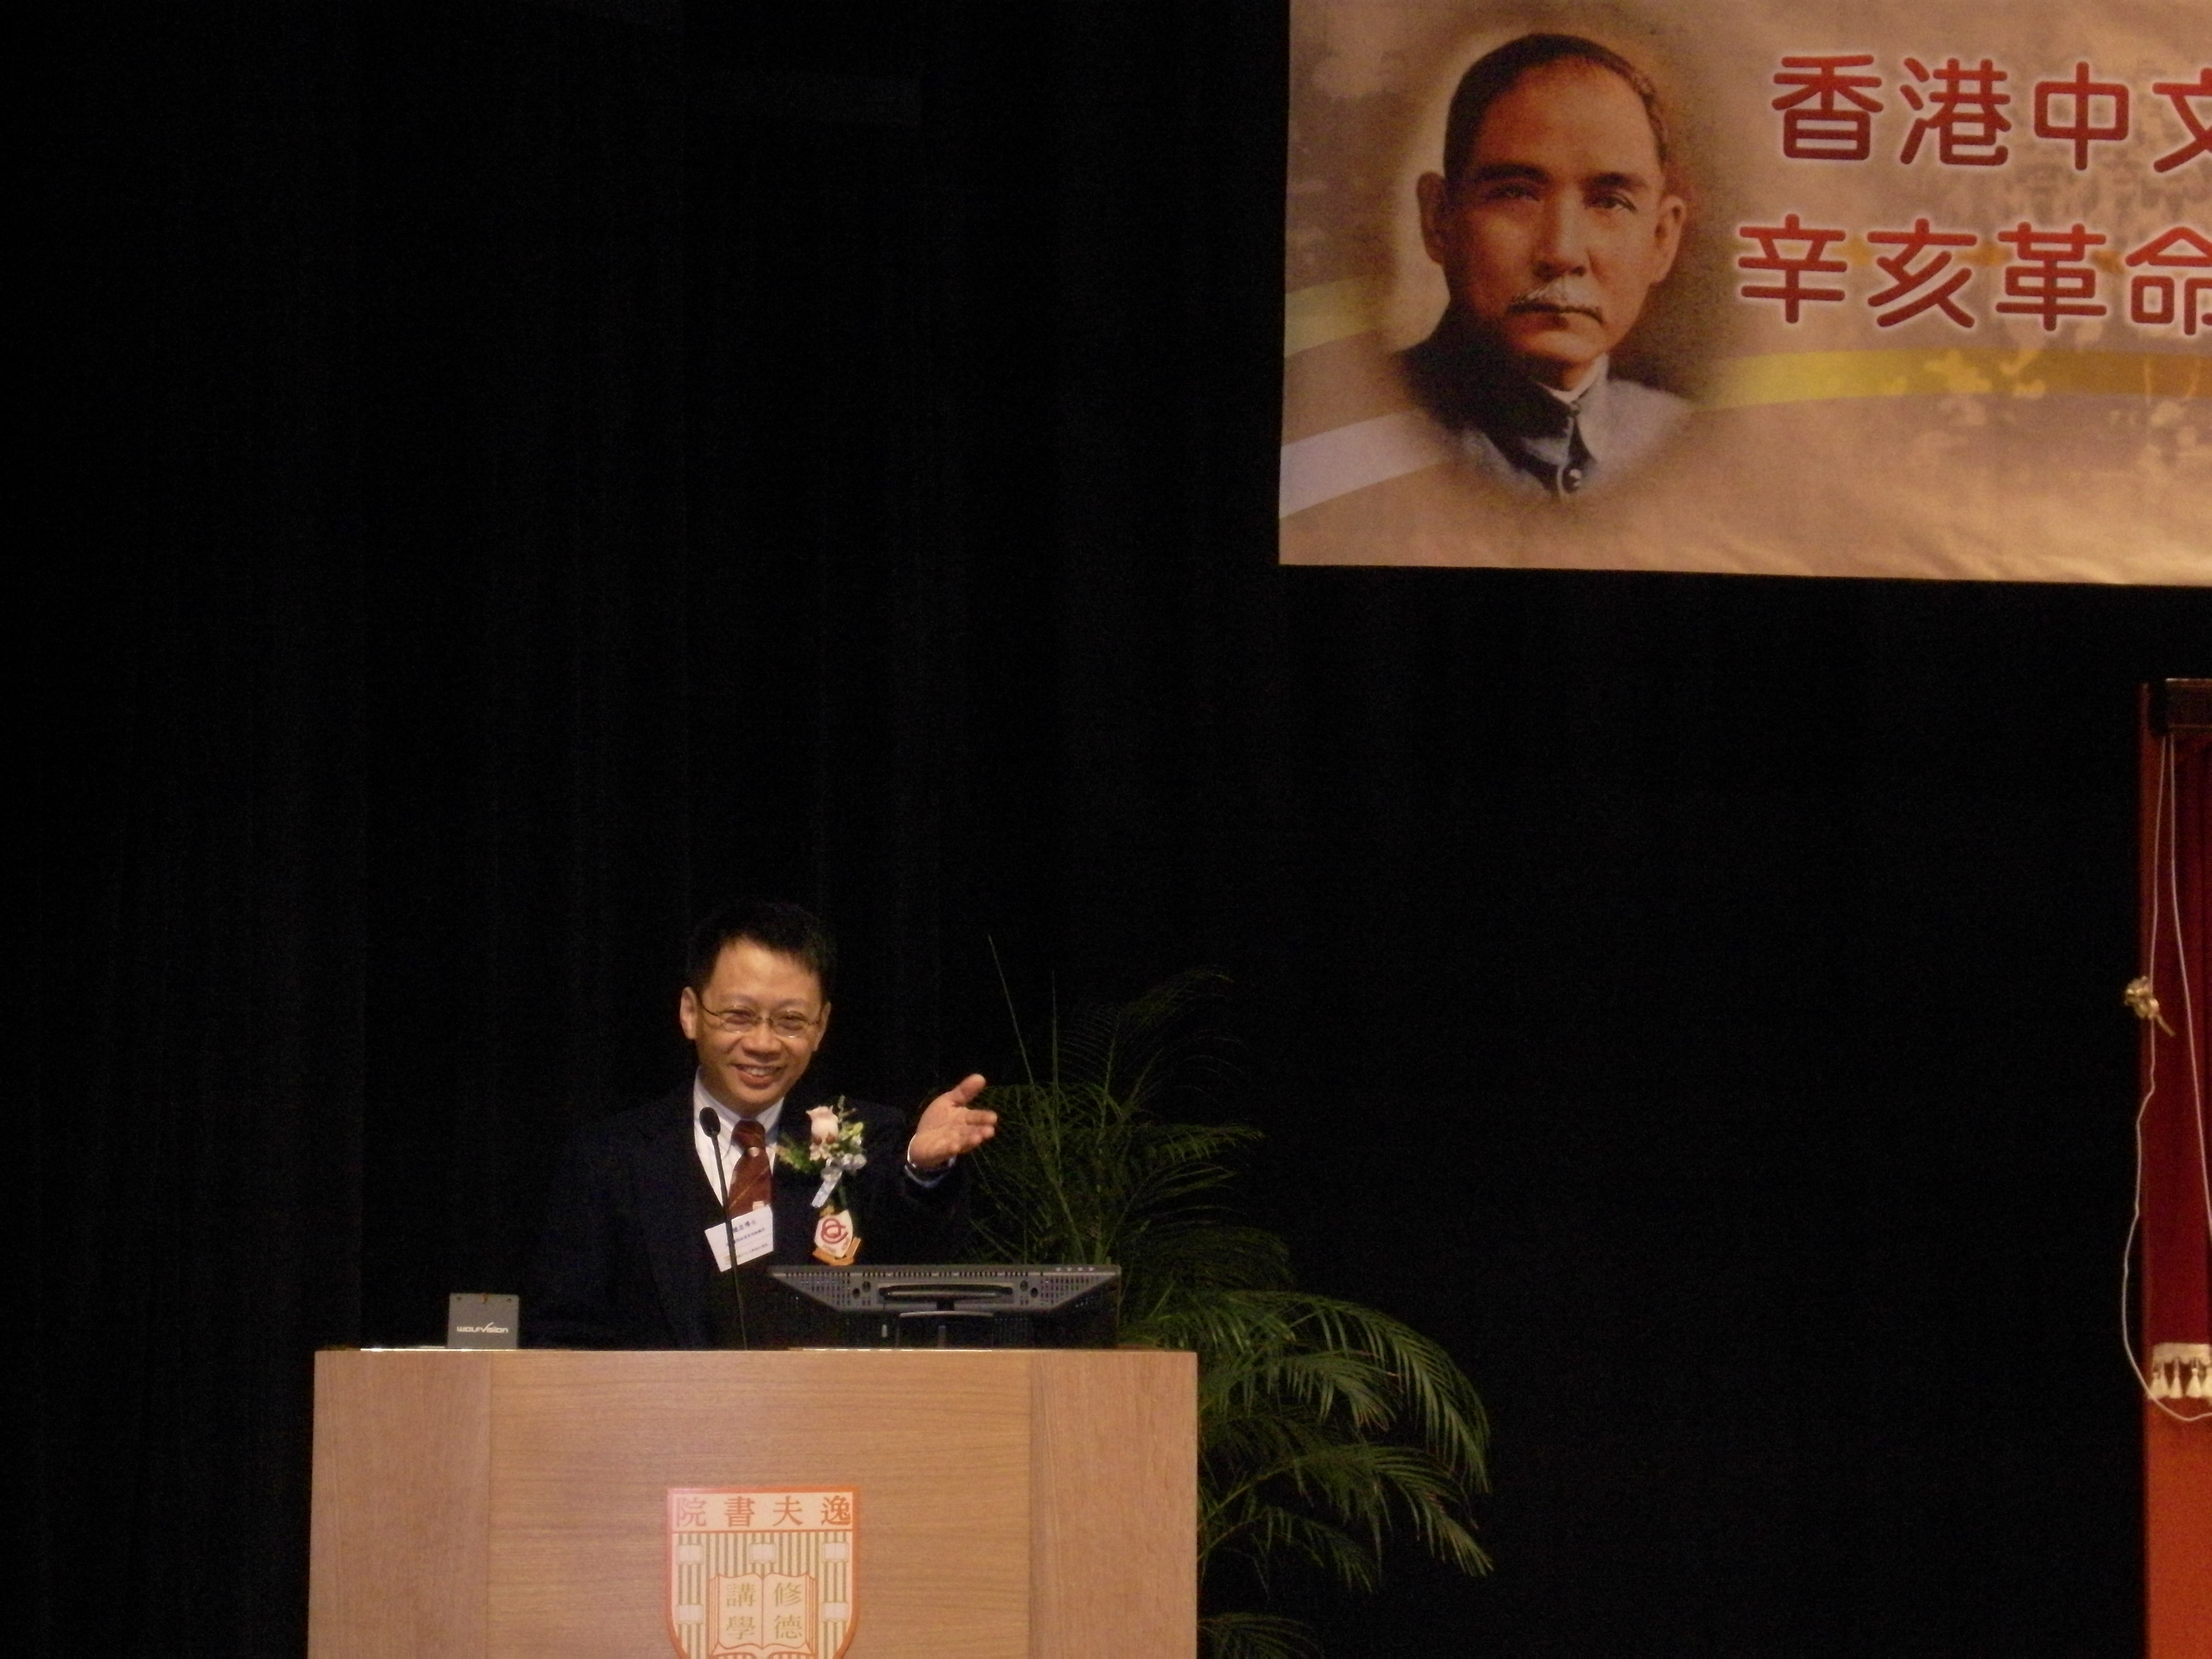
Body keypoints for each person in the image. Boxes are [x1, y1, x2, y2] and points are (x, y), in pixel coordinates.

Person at [523, 899, 997, 1348]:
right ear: (691, 1013)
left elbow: (917, 1274)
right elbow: (565, 1332)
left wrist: (921, 1170)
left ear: (821, 1027)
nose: (763, 1043)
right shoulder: (611, 1158)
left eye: (790, 1021)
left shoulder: (870, 1139)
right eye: (739, 1016)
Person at [1402, 33, 1690, 499]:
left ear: (1662, 239)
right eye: (1516, 193)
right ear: (1439, 219)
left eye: (1610, 203)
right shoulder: (1350, 431)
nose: (1563, 253)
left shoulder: (1681, 438)